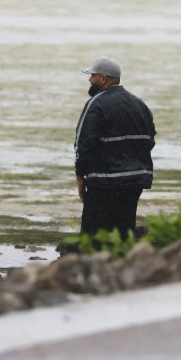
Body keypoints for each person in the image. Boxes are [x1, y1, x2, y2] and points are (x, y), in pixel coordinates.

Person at [74, 56, 156, 239]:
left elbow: (83, 145)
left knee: (94, 238)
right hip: (134, 182)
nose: (89, 80)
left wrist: (80, 179)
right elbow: (149, 140)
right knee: (123, 236)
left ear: (103, 78)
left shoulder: (96, 103)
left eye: (92, 76)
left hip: (104, 183)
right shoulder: (139, 103)